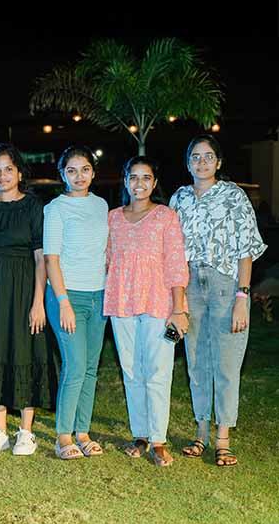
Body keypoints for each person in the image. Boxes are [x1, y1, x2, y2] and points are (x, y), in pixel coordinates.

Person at [169, 134, 267, 467]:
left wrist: (243, 295)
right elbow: (171, 250)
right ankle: (201, 433)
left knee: (226, 365)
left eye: (208, 156)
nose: (202, 162)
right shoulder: (179, 198)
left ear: (219, 162)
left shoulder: (234, 195)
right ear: (188, 163)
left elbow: (246, 248)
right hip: (190, 286)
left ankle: (223, 438)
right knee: (196, 362)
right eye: (195, 157)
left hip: (226, 286)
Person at [0, 143, 59, 455]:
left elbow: (40, 257)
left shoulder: (34, 207)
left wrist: (38, 302)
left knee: (25, 350)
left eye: (8, 169)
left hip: (24, 288)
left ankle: (26, 432)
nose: (2, 175)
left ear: (19, 173)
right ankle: (0, 431)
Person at [104, 157, 189, 467]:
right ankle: (139, 434)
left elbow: (176, 264)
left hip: (158, 301)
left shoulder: (166, 217)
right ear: (126, 181)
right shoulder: (113, 218)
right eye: (133, 177)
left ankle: (158, 440)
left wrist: (178, 309)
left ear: (154, 183)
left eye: (146, 177)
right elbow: (107, 259)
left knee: (158, 371)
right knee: (130, 370)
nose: (139, 183)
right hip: (121, 301)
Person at [43, 145, 108, 459]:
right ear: (62, 175)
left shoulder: (101, 205)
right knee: (76, 365)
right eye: (71, 170)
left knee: (91, 368)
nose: (79, 176)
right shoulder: (55, 208)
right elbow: (51, 259)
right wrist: (64, 302)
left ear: (93, 172)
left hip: (99, 296)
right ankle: (63, 436)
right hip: (67, 296)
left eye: (84, 169)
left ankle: (83, 432)